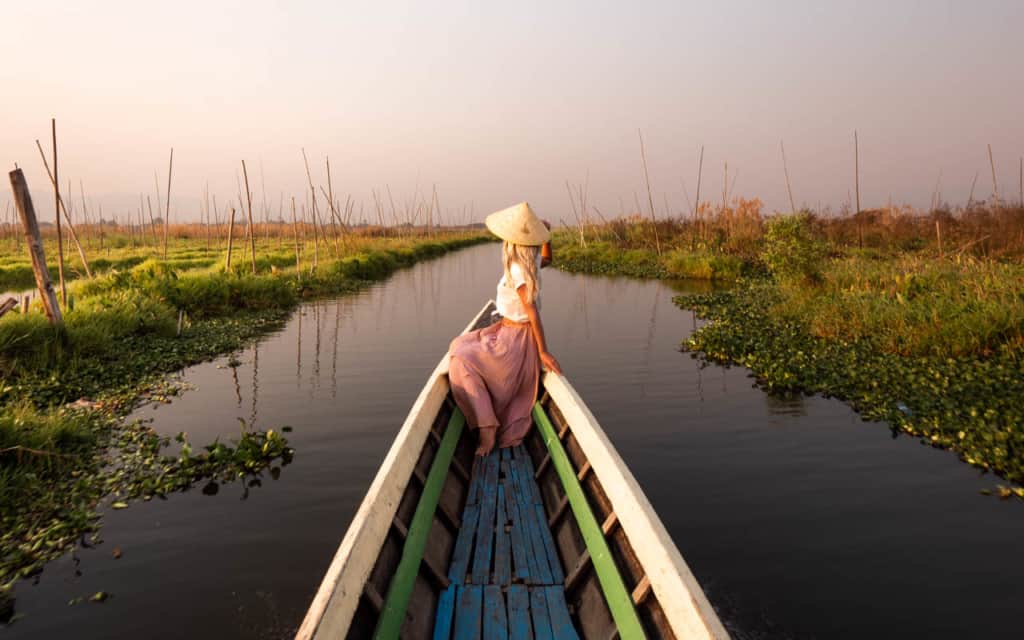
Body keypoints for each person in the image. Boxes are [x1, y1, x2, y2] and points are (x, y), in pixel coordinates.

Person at [448, 202, 562, 456]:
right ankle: (488, 417)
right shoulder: (526, 262)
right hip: (509, 331)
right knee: (459, 346)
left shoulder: (519, 268)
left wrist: (543, 352)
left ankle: (487, 427)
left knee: (461, 360)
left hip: (514, 341)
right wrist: (547, 238)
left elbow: (532, 312)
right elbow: (548, 259)